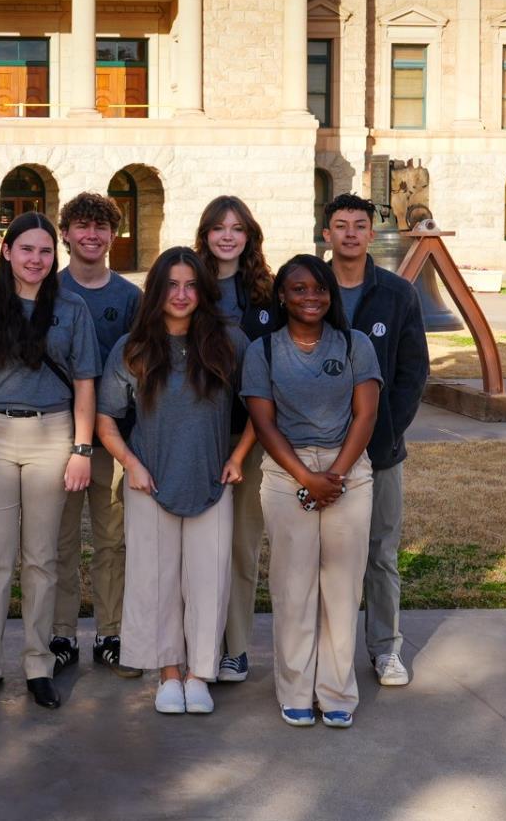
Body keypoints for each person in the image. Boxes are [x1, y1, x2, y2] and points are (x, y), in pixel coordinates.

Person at [0, 211, 99, 711]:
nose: (36, 259)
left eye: (44, 251)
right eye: (26, 250)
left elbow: (85, 386)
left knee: (42, 559)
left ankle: (39, 663)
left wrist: (81, 449)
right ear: (6, 251)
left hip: (52, 433)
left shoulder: (73, 308)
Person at [95, 247, 246, 716]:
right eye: (172, 285)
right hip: (150, 482)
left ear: (204, 291)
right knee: (155, 581)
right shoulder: (132, 349)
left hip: (211, 481)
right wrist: (131, 464)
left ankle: (200, 673)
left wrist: (237, 457)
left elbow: (260, 409)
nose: (181, 295)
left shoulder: (229, 344)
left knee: (207, 581)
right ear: (157, 290)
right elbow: (105, 419)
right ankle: (167, 672)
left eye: (191, 285)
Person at [242, 254, 381, 729]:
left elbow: (366, 415)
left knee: (342, 590)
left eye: (319, 288)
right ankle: (296, 689)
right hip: (287, 475)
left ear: (331, 294)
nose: (310, 297)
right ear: (282, 296)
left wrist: (334, 476)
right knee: (293, 587)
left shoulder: (355, 344)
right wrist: (306, 478)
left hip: (349, 473)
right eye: (298, 289)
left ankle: (337, 690)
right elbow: (262, 421)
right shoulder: (262, 351)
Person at [321, 193, 430, 689]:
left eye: (358, 225)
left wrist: (387, 431)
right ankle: (327, 650)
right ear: (326, 234)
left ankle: (385, 649)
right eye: (340, 224)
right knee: (324, 556)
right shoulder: (306, 288)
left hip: (380, 451)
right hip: (317, 450)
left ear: (371, 234)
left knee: (380, 553)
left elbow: (413, 373)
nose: (349, 233)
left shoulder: (397, 294)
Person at [52, 191, 142, 677]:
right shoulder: (47, 289)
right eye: (82, 226)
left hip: (112, 437)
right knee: (59, 541)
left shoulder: (130, 299)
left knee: (112, 540)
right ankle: (61, 633)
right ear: (64, 233)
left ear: (113, 234)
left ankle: (112, 632)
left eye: (101, 226)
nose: (91, 235)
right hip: (54, 437)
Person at [193, 195, 279, 685]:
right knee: (199, 548)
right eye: (218, 228)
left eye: (237, 228)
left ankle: (237, 647)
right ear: (205, 234)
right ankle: (198, 640)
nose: (227, 236)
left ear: (249, 236)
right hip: (196, 434)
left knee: (242, 546)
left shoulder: (266, 295)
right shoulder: (188, 286)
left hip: (250, 435)